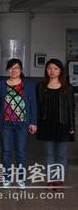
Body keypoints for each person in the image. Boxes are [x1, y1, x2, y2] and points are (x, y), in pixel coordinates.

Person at [0, 58, 37, 189]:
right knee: (6, 151)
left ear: (21, 70)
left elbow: (33, 104)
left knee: (21, 151)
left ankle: (20, 179)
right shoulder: (1, 84)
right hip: (6, 123)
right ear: (7, 70)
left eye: (17, 68)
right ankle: (7, 177)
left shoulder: (28, 84)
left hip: (23, 123)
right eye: (11, 68)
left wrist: (33, 122)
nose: (14, 70)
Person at [36, 59, 75, 191]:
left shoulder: (67, 88)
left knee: (61, 155)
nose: (52, 71)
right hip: (46, 124)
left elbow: (71, 108)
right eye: (49, 68)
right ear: (46, 70)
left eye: (55, 68)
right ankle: (51, 179)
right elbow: (38, 107)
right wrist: (36, 124)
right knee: (49, 154)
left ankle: (59, 181)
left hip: (62, 125)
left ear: (60, 71)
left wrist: (72, 127)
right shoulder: (41, 87)